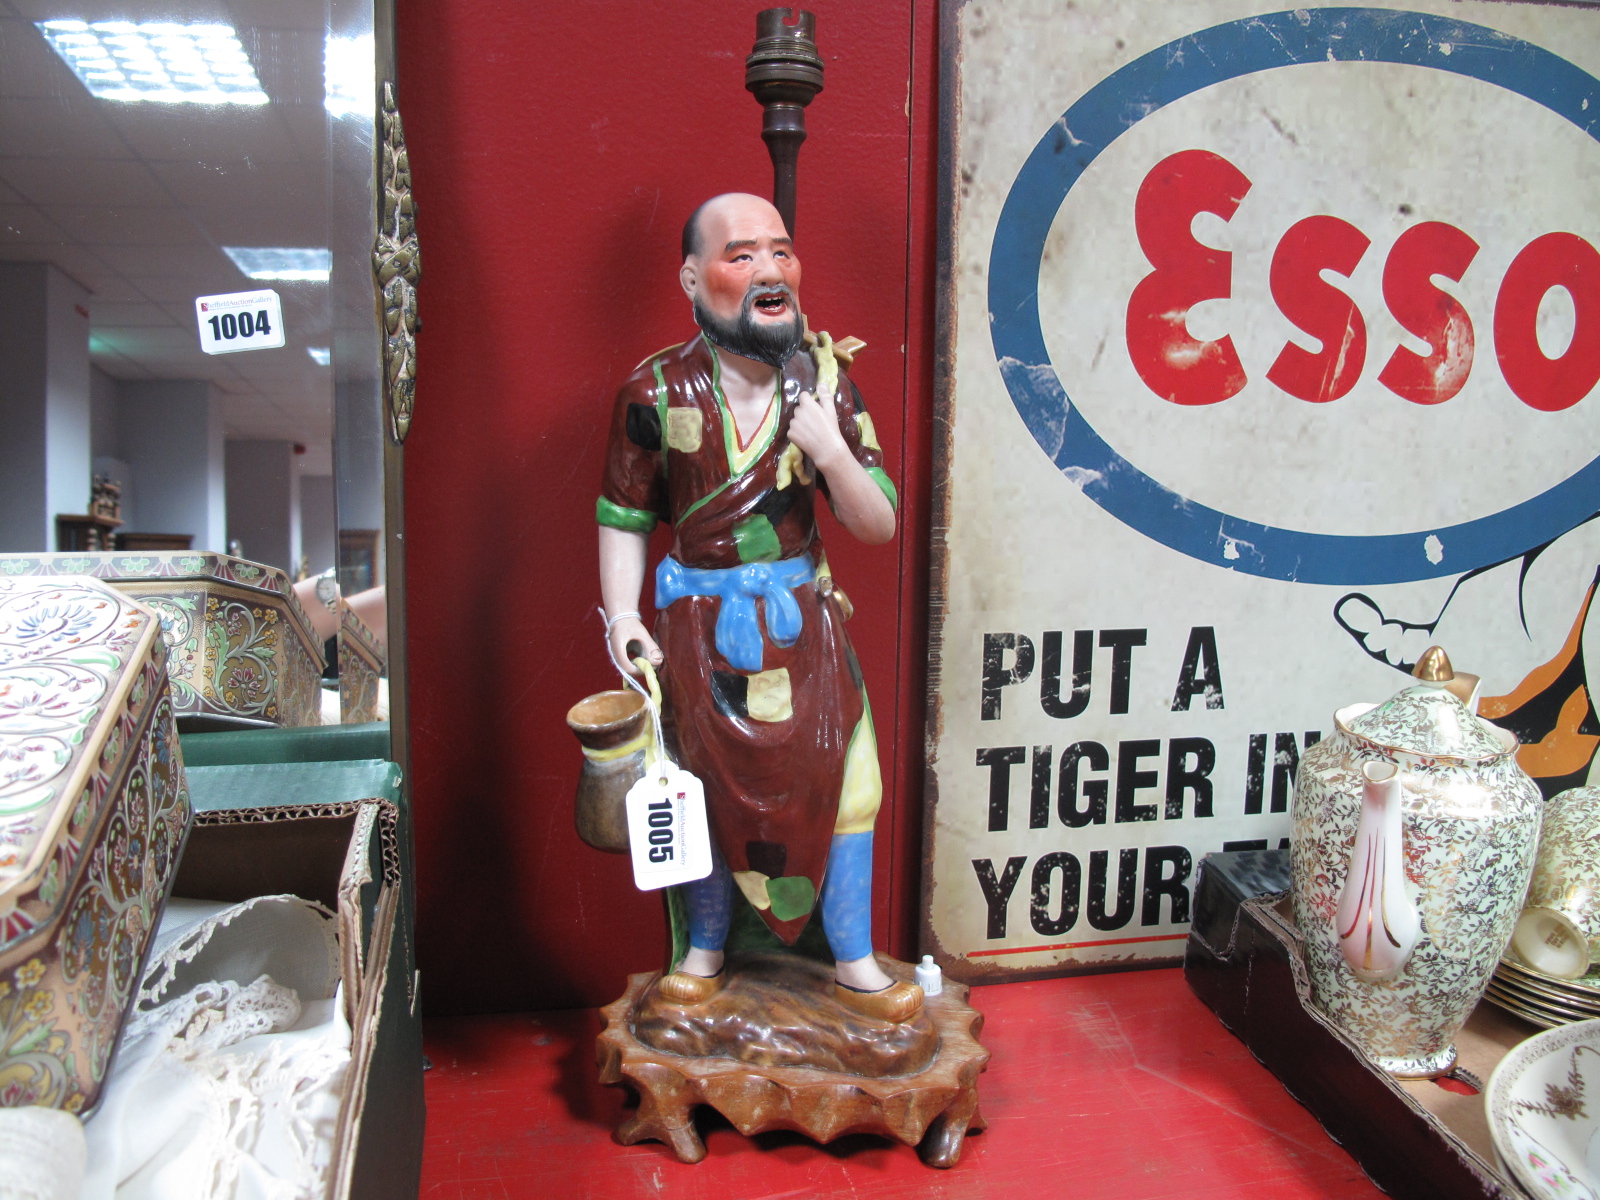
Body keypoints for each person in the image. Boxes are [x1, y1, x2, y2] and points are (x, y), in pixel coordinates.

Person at [596, 192, 921, 1023]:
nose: (770, 271)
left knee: (852, 786)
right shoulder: (655, 391)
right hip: (698, 641)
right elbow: (623, 517)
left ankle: (851, 957)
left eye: (781, 251)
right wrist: (623, 618)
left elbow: (879, 524)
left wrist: (832, 454)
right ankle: (707, 948)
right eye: (743, 255)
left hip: (803, 633)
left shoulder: (827, 384)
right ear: (693, 276)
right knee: (699, 789)